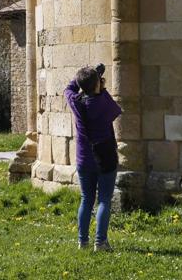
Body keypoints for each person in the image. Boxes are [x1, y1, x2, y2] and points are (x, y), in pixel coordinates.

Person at [65, 64, 122, 253]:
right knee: (104, 200)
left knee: (86, 199)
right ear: (97, 83)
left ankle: (83, 241)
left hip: (84, 158)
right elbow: (116, 111)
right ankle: (101, 242)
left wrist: (81, 79)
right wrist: (102, 89)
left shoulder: (75, 101)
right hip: (104, 156)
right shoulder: (102, 103)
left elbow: (68, 89)